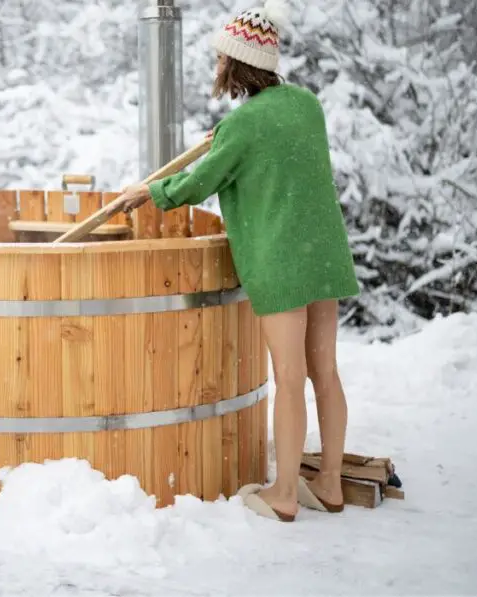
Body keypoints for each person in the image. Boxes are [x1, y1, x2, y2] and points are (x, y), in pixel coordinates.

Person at [119, 0, 361, 522]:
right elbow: (273, 154)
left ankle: (285, 495)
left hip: (282, 263)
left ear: (235, 62)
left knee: (290, 377)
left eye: (220, 59)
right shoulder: (306, 105)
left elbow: (197, 183)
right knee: (325, 371)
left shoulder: (243, 126)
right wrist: (225, 141)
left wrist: (150, 191)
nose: (216, 68)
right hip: (322, 255)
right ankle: (331, 482)